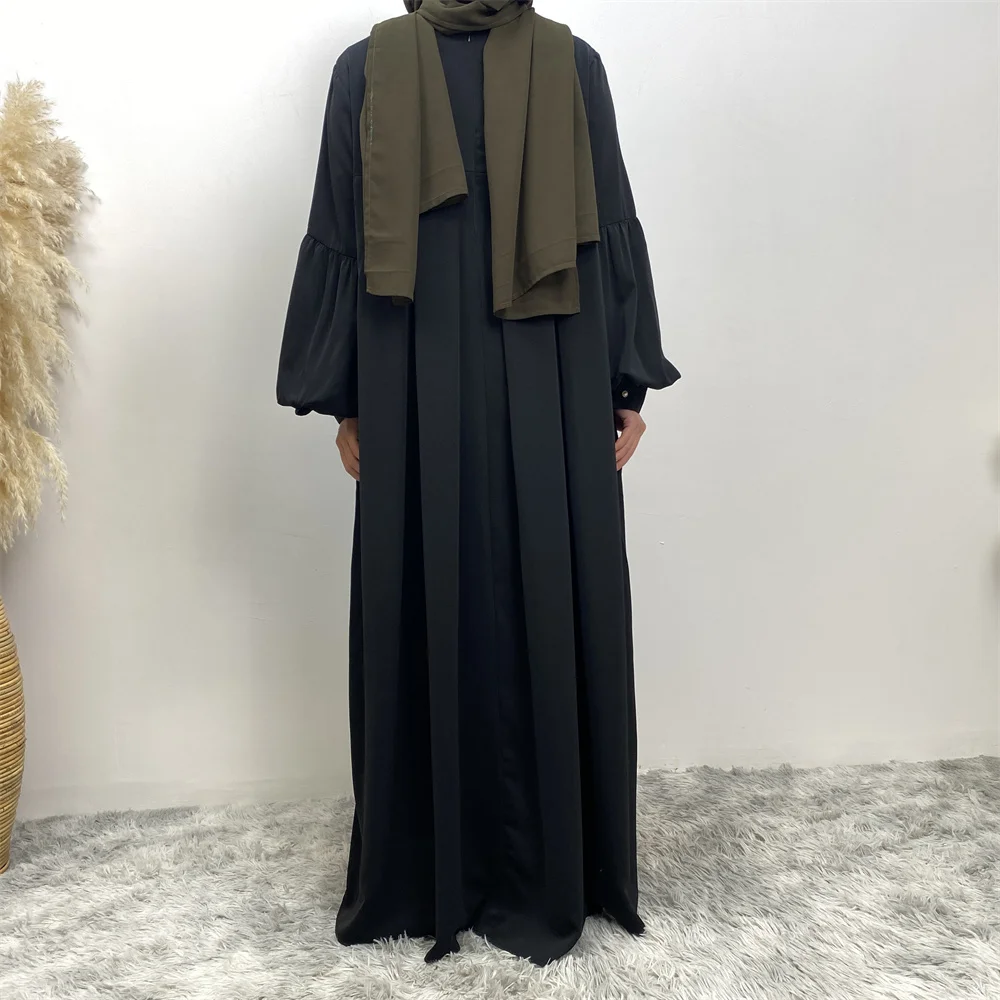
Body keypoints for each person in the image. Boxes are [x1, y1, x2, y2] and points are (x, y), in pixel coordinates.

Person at [276, 0, 681, 967]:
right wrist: (349, 400)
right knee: (458, 589)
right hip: (452, 372)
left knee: (534, 590)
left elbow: (607, 222)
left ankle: (472, 872)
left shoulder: (557, 64)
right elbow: (342, 228)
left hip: (534, 371)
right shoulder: (382, 70)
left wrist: (625, 382)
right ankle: (493, 869)